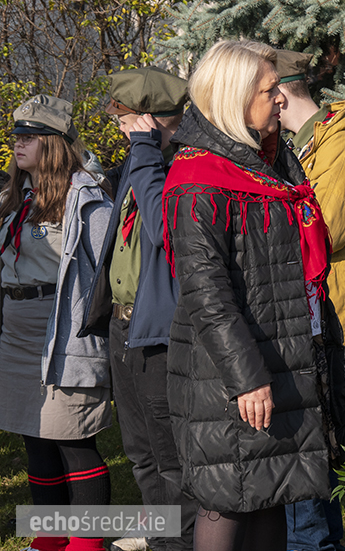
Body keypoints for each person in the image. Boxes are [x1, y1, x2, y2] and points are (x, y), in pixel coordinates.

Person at [161, 39, 345, 551]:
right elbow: (207, 291)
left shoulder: (265, 163)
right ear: (234, 97)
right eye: (269, 91)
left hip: (278, 355)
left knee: (270, 493)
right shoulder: (199, 178)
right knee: (226, 499)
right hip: (230, 375)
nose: (280, 100)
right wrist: (247, 379)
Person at [79, 66, 198, 551]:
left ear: (149, 120)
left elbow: (159, 226)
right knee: (142, 454)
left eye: (126, 122)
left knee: (172, 461)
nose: (121, 132)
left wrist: (146, 148)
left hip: (161, 334)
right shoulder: (140, 158)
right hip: (124, 328)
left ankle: (181, 543)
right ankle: (160, 539)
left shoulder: (179, 163)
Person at [274, 48, 345, 551]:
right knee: (305, 473)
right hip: (301, 320)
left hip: (329, 322)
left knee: (310, 471)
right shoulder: (296, 144)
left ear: (279, 95)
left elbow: (324, 233)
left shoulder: (342, 147)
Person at [0, 95, 113, 551]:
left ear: (53, 144)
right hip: (16, 327)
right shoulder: (13, 194)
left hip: (62, 329)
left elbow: (108, 270)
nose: (17, 143)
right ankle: (47, 539)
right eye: (15, 136)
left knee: (73, 440)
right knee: (36, 439)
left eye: (28, 136)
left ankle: (87, 544)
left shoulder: (86, 198)